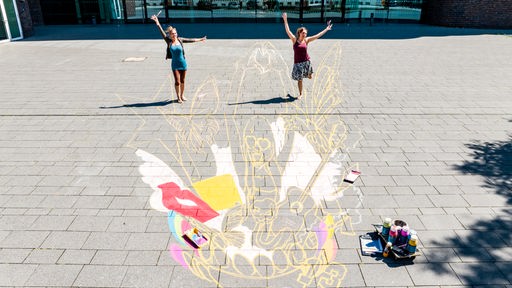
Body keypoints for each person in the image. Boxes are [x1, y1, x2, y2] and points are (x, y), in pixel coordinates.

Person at [151, 14, 207, 103]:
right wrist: (157, 22)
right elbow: (161, 32)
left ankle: (182, 95)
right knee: (177, 81)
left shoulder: (180, 40)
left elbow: (191, 40)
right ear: (170, 35)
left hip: (183, 63)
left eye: (175, 33)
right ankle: (178, 97)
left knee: (182, 80)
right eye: (172, 34)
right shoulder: (168, 41)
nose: (174, 35)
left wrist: (201, 39)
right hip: (175, 65)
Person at [282, 12, 332, 99]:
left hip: (306, 62)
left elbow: (317, 36)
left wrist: (326, 29)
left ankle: (309, 74)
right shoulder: (294, 40)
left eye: (305, 33)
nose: (305, 34)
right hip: (297, 64)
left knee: (309, 77)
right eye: (303, 33)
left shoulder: (307, 40)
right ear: (299, 33)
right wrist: (285, 20)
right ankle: (300, 94)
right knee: (300, 80)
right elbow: (288, 31)